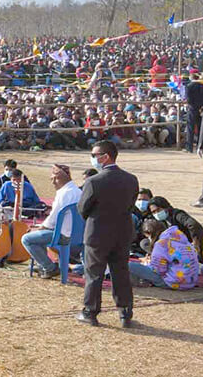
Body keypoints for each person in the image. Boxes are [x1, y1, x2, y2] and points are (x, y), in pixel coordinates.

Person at [79, 140, 140, 328]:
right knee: (120, 272)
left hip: (97, 233)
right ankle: (125, 312)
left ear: (105, 157)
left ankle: (90, 311)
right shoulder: (131, 179)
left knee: (94, 274)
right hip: (122, 232)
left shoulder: (93, 181)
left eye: (94, 155)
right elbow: (131, 204)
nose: (92, 159)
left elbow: (82, 208)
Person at [21, 164, 81, 279]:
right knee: (38, 236)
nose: (52, 183)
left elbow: (53, 219)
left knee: (27, 239)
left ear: (58, 179)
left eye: (53, 179)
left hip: (64, 236)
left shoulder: (64, 193)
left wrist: (40, 228)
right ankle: (43, 264)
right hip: (78, 235)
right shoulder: (77, 191)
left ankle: (50, 268)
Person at [181, 73, 203, 152]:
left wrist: (194, 107)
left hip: (192, 109)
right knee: (202, 127)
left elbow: (188, 99)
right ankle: (201, 146)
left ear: (191, 78)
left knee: (190, 128)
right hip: (202, 109)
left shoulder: (189, 86)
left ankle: (189, 147)